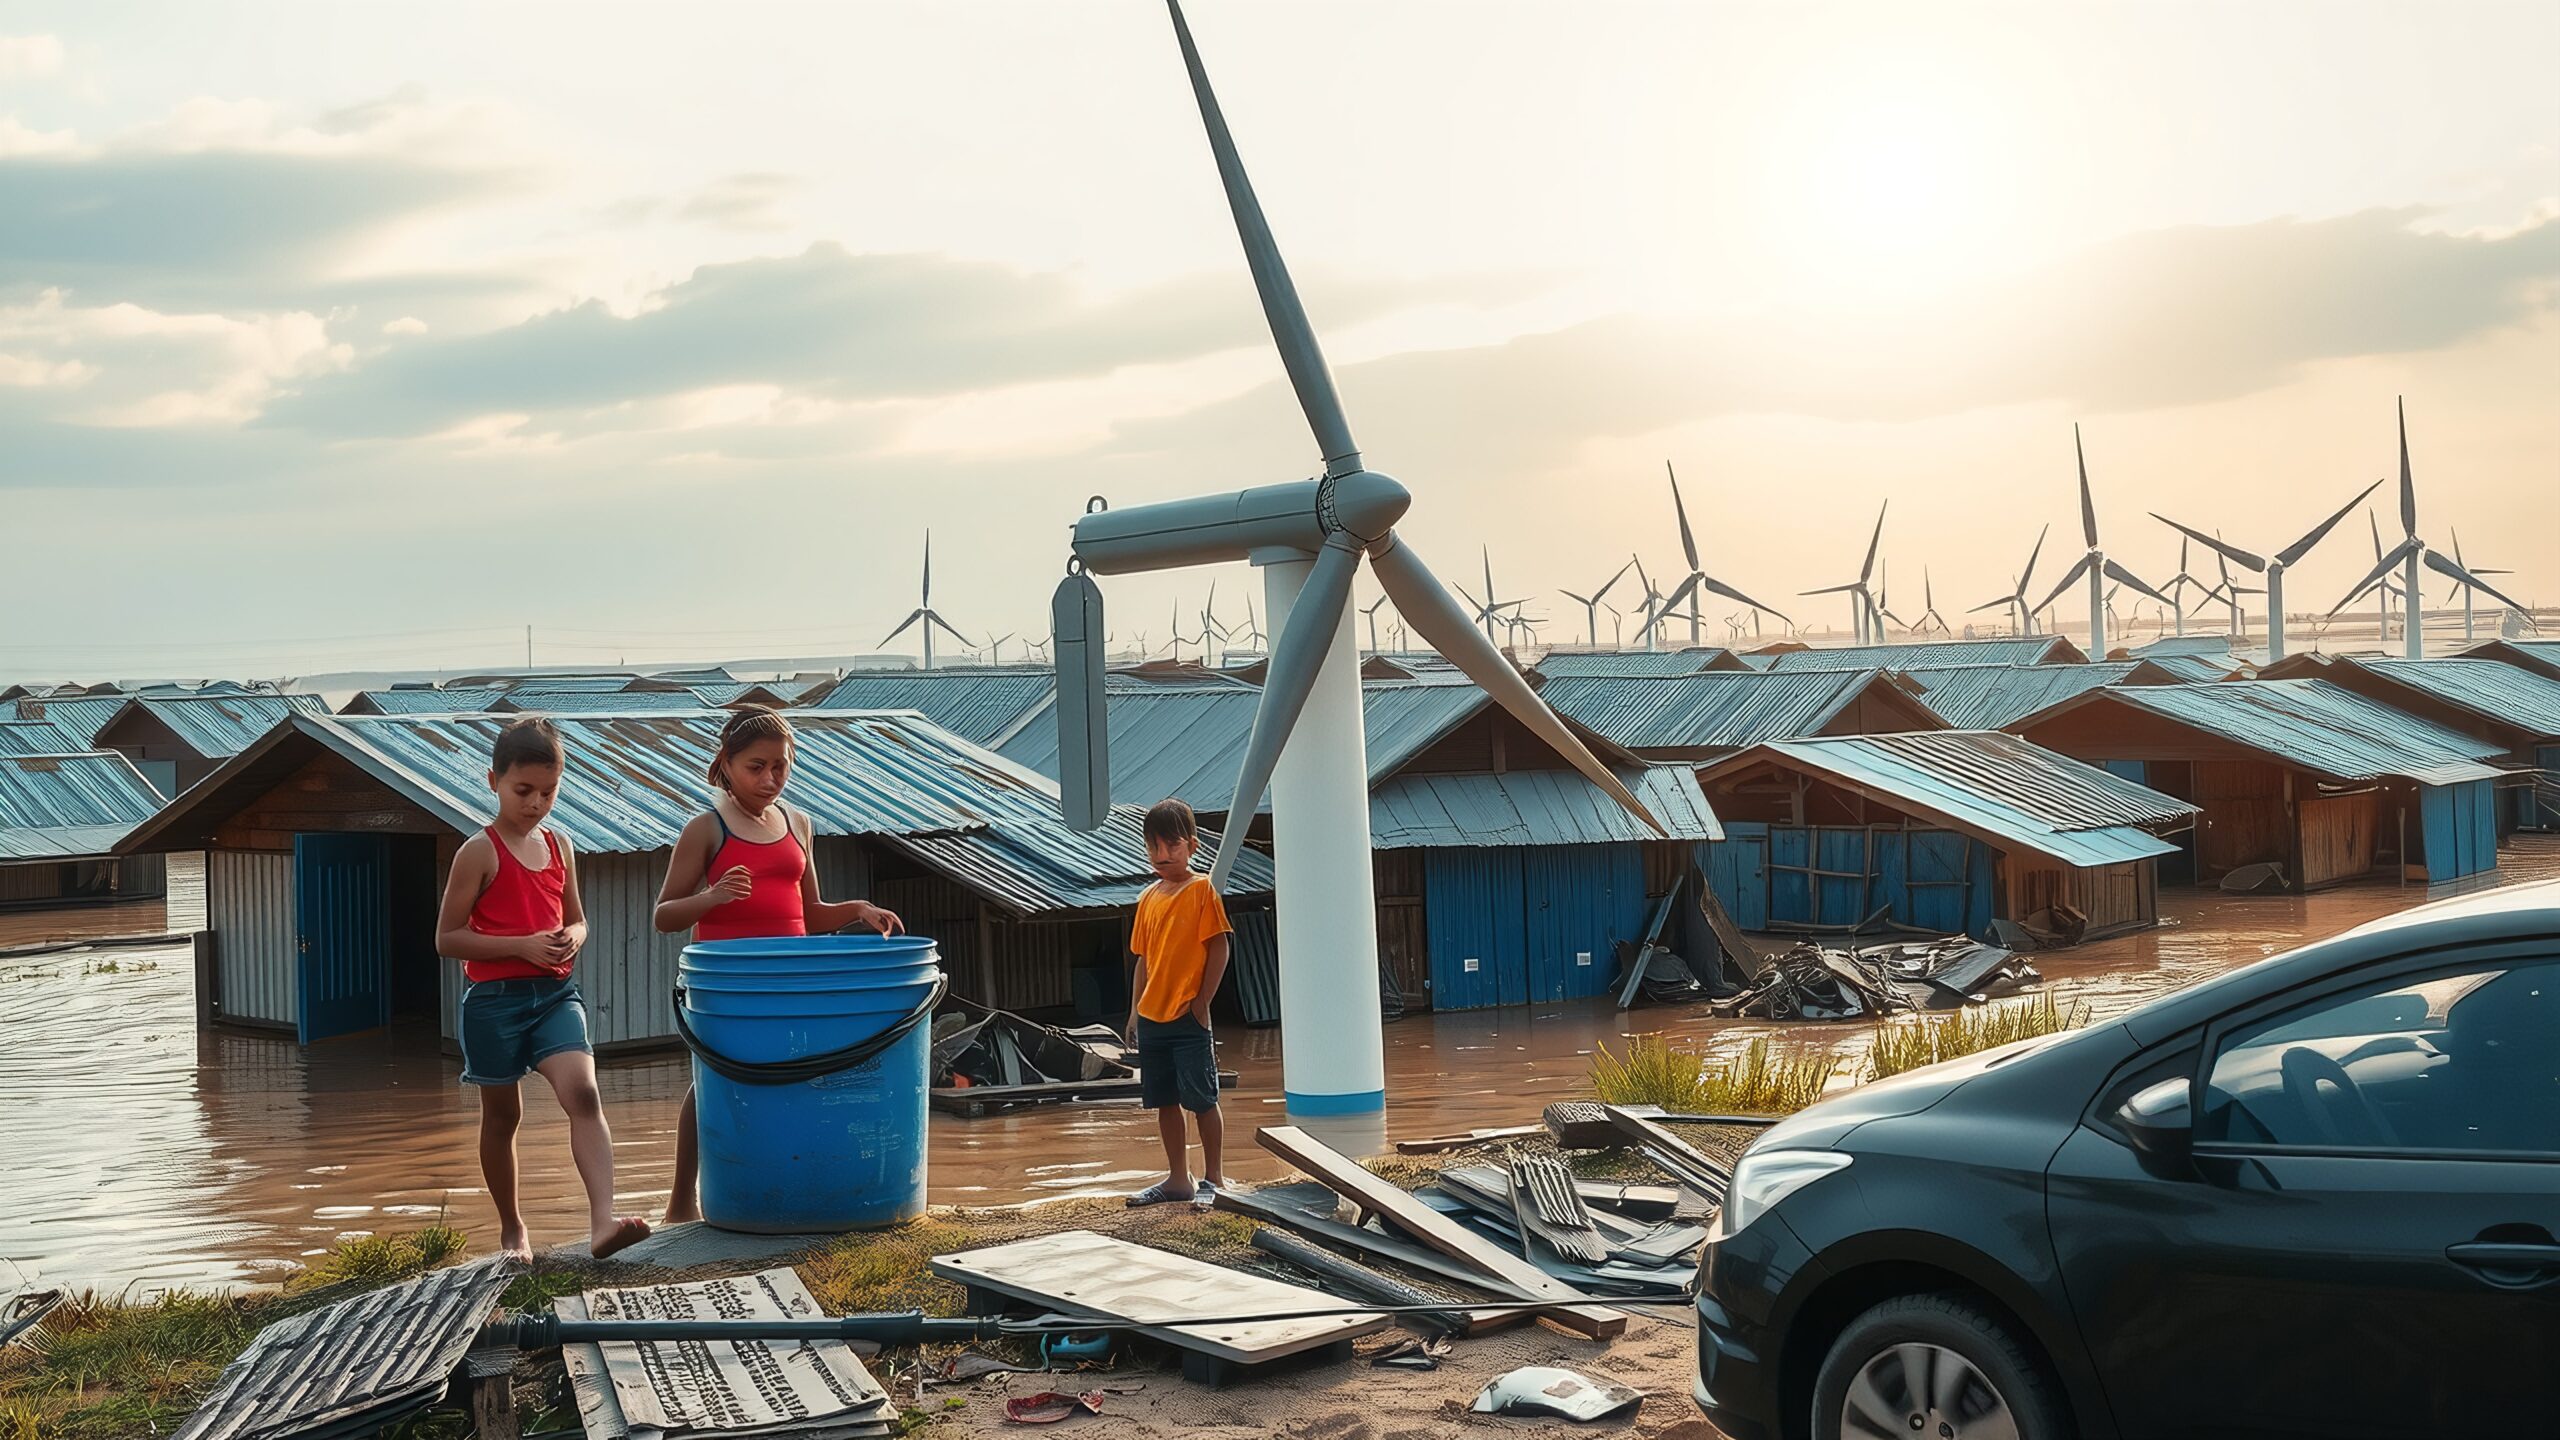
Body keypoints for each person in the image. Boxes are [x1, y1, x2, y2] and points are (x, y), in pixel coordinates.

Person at [653, 706, 903, 1225]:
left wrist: (858, 909)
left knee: (793, 1078)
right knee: (713, 1081)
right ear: (726, 763)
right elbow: (664, 916)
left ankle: (787, 1186)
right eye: (756, 767)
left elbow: (809, 915)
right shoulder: (707, 829)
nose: (769, 779)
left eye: (780, 767)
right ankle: (682, 1201)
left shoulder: (799, 823)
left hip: (793, 976)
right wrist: (714, 896)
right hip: (730, 981)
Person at [433, 716, 652, 1262]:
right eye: (523, 791)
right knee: (503, 1117)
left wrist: (571, 938)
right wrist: (522, 946)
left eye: (548, 792)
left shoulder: (561, 846)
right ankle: (513, 1229)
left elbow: (578, 919)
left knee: (584, 1092)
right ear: (494, 782)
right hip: (493, 1005)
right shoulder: (478, 852)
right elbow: (447, 939)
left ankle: (603, 1222)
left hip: (555, 996)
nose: (535, 804)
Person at [1121, 798, 1232, 1208]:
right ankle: (1176, 1179)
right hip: (1152, 1017)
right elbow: (1143, 959)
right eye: (1153, 847)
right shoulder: (1148, 896)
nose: (1162, 855)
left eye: (1172, 846)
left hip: (1188, 1016)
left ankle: (1215, 1178)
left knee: (1202, 1099)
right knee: (1164, 1101)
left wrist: (1202, 1001)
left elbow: (1219, 948)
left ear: (1192, 846)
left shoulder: (1202, 890)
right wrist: (1134, 1011)